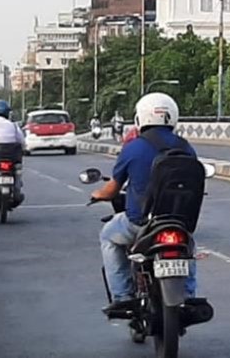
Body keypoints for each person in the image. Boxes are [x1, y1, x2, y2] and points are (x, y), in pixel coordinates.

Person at [91, 93, 199, 315]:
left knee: (108, 236)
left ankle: (122, 296)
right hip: (178, 221)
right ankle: (188, 294)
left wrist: (98, 194)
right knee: (188, 247)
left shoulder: (133, 148)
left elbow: (113, 188)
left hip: (141, 223)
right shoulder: (186, 148)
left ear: (140, 117)